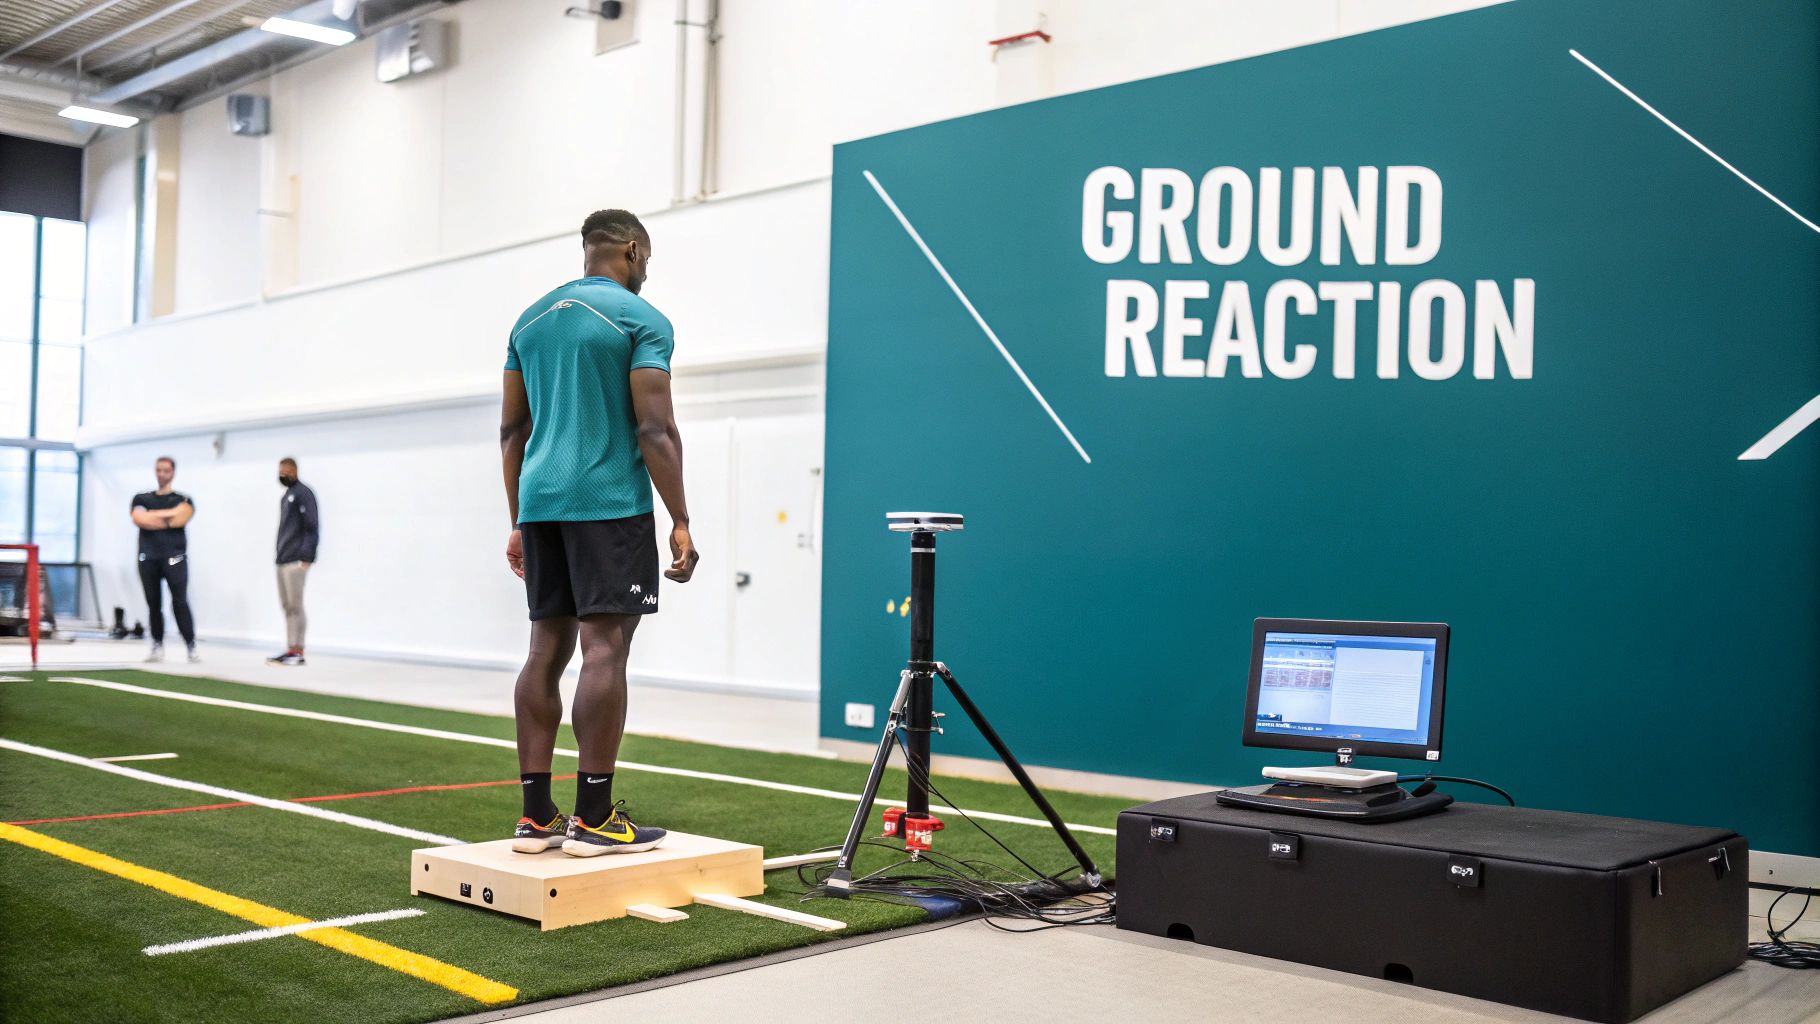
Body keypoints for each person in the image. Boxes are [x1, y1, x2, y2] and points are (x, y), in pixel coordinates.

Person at [501, 208, 698, 857]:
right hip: (606, 500)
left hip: (540, 502)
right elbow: (655, 430)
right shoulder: (642, 320)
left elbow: (512, 432)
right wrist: (680, 519)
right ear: (634, 250)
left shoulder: (528, 321)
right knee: (604, 648)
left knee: (543, 651)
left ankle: (535, 818)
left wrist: (518, 521)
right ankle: (592, 817)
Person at [130, 456, 198, 663]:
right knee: (154, 604)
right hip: (148, 557)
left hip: (175, 558)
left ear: (173, 472)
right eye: (158, 470)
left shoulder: (183, 500)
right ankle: (157, 645)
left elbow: (182, 517)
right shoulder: (141, 499)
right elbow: (139, 518)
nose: (162, 474)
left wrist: (155, 517)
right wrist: (168, 517)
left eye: (166, 471)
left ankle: (190, 645)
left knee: (179, 601)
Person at [267, 457, 319, 667]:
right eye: (280, 470)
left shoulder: (303, 494)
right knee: (287, 606)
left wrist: (307, 555)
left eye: (286, 471)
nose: (282, 474)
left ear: (294, 470)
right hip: (283, 558)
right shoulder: (286, 496)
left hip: (296, 559)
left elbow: (312, 526)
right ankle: (290, 648)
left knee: (296, 606)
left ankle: (297, 650)